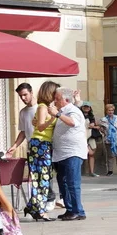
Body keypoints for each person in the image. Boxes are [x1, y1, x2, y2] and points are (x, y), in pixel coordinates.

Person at [22, 82, 59, 222]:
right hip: (40, 143)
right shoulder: (43, 107)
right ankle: (40, 210)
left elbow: (35, 122)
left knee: (42, 176)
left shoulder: (45, 107)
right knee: (43, 177)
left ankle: (33, 206)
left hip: (42, 143)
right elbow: (41, 127)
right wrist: (53, 118)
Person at [52, 88, 88, 221]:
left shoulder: (73, 111)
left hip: (73, 152)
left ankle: (78, 211)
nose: (55, 101)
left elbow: (72, 122)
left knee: (72, 182)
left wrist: (57, 114)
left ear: (65, 100)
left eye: (57, 99)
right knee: (63, 181)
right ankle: (70, 209)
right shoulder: (64, 111)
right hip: (61, 153)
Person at [8, 84, 36, 160]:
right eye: (20, 96)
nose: (23, 98)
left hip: (44, 146)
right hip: (30, 147)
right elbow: (23, 132)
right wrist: (14, 146)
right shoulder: (23, 112)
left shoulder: (41, 108)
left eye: (25, 95)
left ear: (31, 92)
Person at [100, 104, 117, 175]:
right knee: (110, 156)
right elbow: (101, 129)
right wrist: (104, 131)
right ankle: (110, 170)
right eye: (109, 110)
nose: (111, 112)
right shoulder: (103, 120)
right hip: (109, 140)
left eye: (112, 110)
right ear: (106, 111)